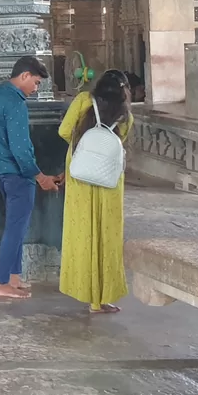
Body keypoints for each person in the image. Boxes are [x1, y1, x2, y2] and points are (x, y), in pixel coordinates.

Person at [0, 55, 59, 299]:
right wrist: (39, 176)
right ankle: (0, 282)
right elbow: (20, 149)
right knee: (15, 229)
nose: (36, 88)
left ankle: (14, 278)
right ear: (25, 76)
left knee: (16, 225)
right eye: (37, 82)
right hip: (18, 174)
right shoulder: (16, 104)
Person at [58, 69, 134, 314]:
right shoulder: (125, 116)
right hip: (109, 180)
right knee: (107, 237)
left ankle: (85, 291)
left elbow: (64, 131)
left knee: (83, 233)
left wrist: (83, 143)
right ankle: (101, 299)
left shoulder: (83, 101)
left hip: (80, 176)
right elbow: (119, 142)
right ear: (124, 91)